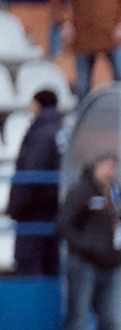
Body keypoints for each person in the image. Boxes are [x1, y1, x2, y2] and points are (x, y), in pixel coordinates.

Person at [57, 152, 121, 330]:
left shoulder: (117, 193)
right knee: (78, 320)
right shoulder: (82, 191)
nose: (111, 171)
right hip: (83, 264)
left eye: (114, 167)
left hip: (108, 266)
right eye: (106, 166)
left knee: (108, 323)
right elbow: (64, 225)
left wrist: (118, 255)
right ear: (95, 166)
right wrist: (87, 247)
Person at [5, 90, 64, 277]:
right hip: (54, 209)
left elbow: (32, 172)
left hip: (34, 211)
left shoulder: (41, 133)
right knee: (50, 265)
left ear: (38, 104)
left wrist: (17, 207)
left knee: (30, 266)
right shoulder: (63, 130)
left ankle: (31, 306)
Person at [49, 0, 121, 99]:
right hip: (82, 36)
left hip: (112, 36)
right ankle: (82, 113)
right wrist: (64, 21)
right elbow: (57, 3)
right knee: (83, 85)